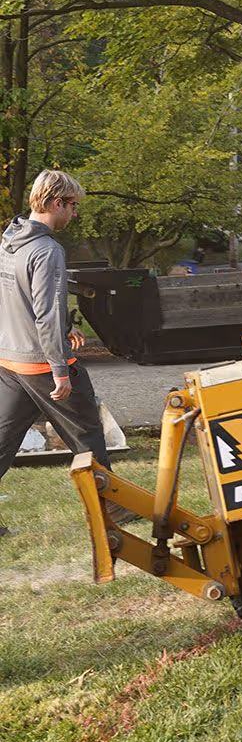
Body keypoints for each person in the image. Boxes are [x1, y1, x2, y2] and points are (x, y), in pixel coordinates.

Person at [0, 170, 116, 534]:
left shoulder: (8, 242)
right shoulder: (47, 250)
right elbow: (45, 313)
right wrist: (60, 370)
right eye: (72, 206)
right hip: (41, 365)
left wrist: (67, 328)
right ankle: (115, 511)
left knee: (2, 441)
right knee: (87, 435)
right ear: (55, 203)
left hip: (9, 360)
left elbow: (17, 301)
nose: (75, 214)